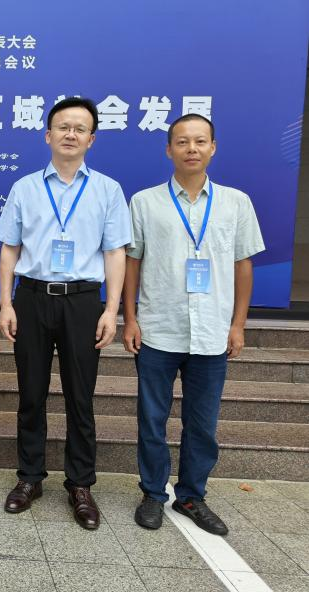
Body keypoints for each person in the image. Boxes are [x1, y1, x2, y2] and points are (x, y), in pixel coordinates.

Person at [123, 113, 264, 535]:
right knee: (152, 419)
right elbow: (132, 263)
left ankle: (191, 496)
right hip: (158, 328)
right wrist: (130, 318)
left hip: (213, 332)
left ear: (213, 148)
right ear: (169, 149)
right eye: (182, 142)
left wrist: (238, 325)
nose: (191, 149)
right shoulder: (145, 202)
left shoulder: (236, 202)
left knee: (202, 424)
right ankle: (153, 493)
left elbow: (242, 265)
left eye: (200, 141)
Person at [0, 97, 129, 529]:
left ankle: (81, 484)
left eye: (80, 128)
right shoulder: (25, 188)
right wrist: (6, 303)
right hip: (32, 298)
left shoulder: (107, 190)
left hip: (83, 301)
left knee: (80, 397)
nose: (71, 134)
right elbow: (9, 248)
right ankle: (29, 477)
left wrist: (111, 310)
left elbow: (115, 253)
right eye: (63, 127)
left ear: (92, 139)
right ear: (47, 135)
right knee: (31, 394)